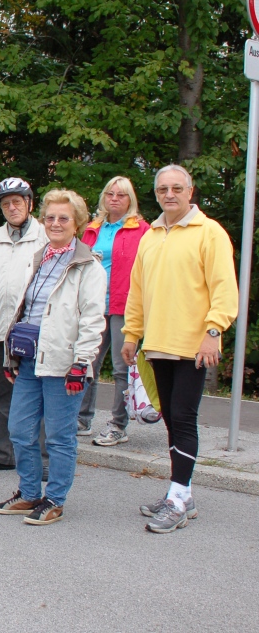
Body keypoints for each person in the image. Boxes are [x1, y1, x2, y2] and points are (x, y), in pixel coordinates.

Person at [121, 165, 237, 533]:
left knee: (183, 418)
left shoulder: (209, 232)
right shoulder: (151, 236)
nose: (169, 195)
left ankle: (177, 500)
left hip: (193, 346)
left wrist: (213, 331)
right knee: (171, 418)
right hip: (157, 343)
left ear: (190, 191)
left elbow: (224, 288)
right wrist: (131, 334)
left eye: (176, 188)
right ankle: (181, 493)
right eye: (162, 189)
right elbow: (137, 291)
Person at [0, 190, 106, 525]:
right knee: (19, 429)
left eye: (63, 218)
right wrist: (11, 355)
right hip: (29, 360)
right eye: (50, 217)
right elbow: (25, 310)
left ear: (77, 223)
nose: (55, 223)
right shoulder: (40, 258)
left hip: (64, 364)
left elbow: (92, 319)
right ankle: (29, 492)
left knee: (58, 437)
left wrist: (81, 363)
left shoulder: (88, 266)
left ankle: (55, 498)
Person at [0, 178, 49, 475]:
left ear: (29, 203)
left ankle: (42, 459)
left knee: (36, 394)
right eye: (6, 204)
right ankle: (2, 453)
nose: (12, 207)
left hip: (31, 332)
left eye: (17, 201)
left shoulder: (45, 237)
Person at [78, 176, 150, 444]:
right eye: (110, 194)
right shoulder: (92, 228)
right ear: (103, 198)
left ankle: (118, 425)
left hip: (124, 305)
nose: (115, 199)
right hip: (94, 305)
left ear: (131, 199)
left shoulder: (142, 230)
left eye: (121, 194)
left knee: (122, 368)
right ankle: (82, 419)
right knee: (87, 363)